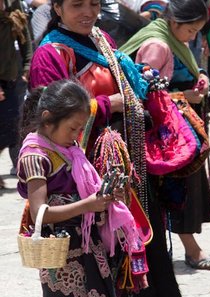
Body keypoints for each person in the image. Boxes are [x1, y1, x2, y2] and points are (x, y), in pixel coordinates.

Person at [28, 0, 181, 296]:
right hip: (87, 178)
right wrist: (103, 105)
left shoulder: (101, 38)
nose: (88, 12)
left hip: (126, 165)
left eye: (94, 4)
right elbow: (48, 122)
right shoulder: (50, 55)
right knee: (108, 260)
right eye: (77, 5)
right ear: (57, 8)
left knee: (147, 248)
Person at [120, 0, 210, 271]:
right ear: (175, 23)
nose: (192, 37)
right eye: (191, 31)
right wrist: (182, 96)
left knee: (178, 188)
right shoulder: (158, 45)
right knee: (176, 189)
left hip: (173, 127)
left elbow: (179, 70)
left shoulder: (170, 38)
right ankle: (189, 250)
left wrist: (199, 74)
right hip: (161, 134)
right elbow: (141, 93)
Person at [17, 80, 117, 296]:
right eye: (72, 128)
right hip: (62, 251)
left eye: (80, 129)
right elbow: (40, 214)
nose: (76, 135)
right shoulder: (35, 156)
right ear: (47, 118)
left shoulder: (69, 149)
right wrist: (88, 204)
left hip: (88, 243)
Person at [0, 0, 33, 187]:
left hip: (10, 77)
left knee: (12, 129)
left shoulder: (13, 4)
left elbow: (25, 35)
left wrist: (27, 65)